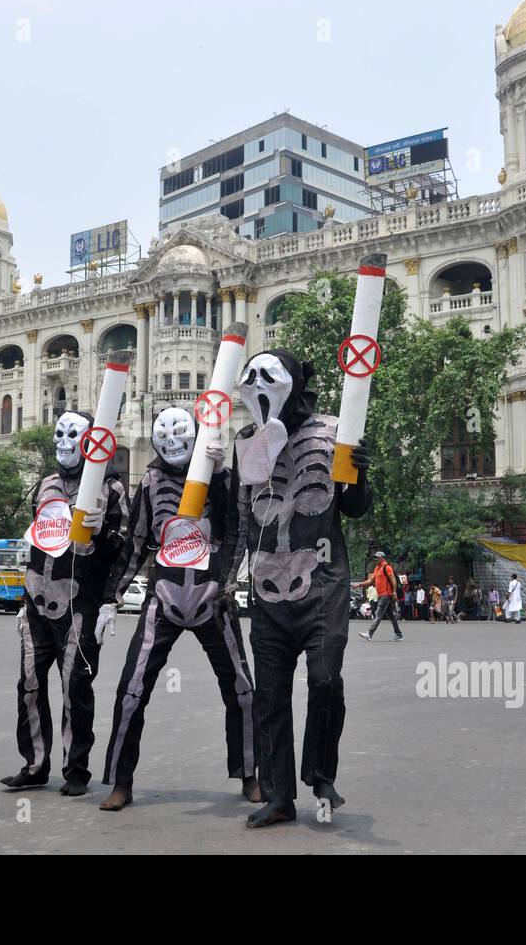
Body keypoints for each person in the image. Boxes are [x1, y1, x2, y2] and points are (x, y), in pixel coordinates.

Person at [222, 350, 371, 828]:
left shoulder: (334, 432)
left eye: (269, 376)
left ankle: (321, 774)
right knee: (270, 695)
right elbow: (240, 521)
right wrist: (225, 579)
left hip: (323, 585)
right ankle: (279, 795)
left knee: (326, 679)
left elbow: (353, 506)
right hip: (266, 590)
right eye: (250, 377)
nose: (257, 385)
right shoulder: (246, 442)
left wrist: (359, 472)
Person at [97, 407, 257, 811]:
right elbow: (136, 544)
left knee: (241, 689)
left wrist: (227, 578)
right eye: (164, 436)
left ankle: (251, 773)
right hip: (164, 594)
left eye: (182, 434)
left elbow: (236, 528)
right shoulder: (150, 481)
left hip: (211, 597)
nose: (173, 444)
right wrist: (109, 598)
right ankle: (120, 780)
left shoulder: (218, 475)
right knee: (132, 689)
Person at [0, 410, 128, 797]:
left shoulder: (111, 488)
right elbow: (37, 538)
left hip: (80, 605)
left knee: (75, 687)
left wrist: (110, 599)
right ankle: (36, 764)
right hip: (37, 599)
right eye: (58, 433)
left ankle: (76, 770)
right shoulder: (46, 484)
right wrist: (25, 599)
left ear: (91, 441)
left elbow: (122, 549)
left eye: (73, 433)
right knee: (30, 685)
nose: (63, 440)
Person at [355, 550, 402, 641]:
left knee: (378, 613)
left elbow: (393, 580)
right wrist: (359, 585)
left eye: (377, 557)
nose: (375, 559)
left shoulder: (387, 567)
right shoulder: (376, 568)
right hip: (380, 595)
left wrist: (394, 592)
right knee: (391, 615)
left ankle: (370, 633)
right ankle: (399, 634)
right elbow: (370, 581)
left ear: (382, 558)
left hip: (386, 594)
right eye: (375, 557)